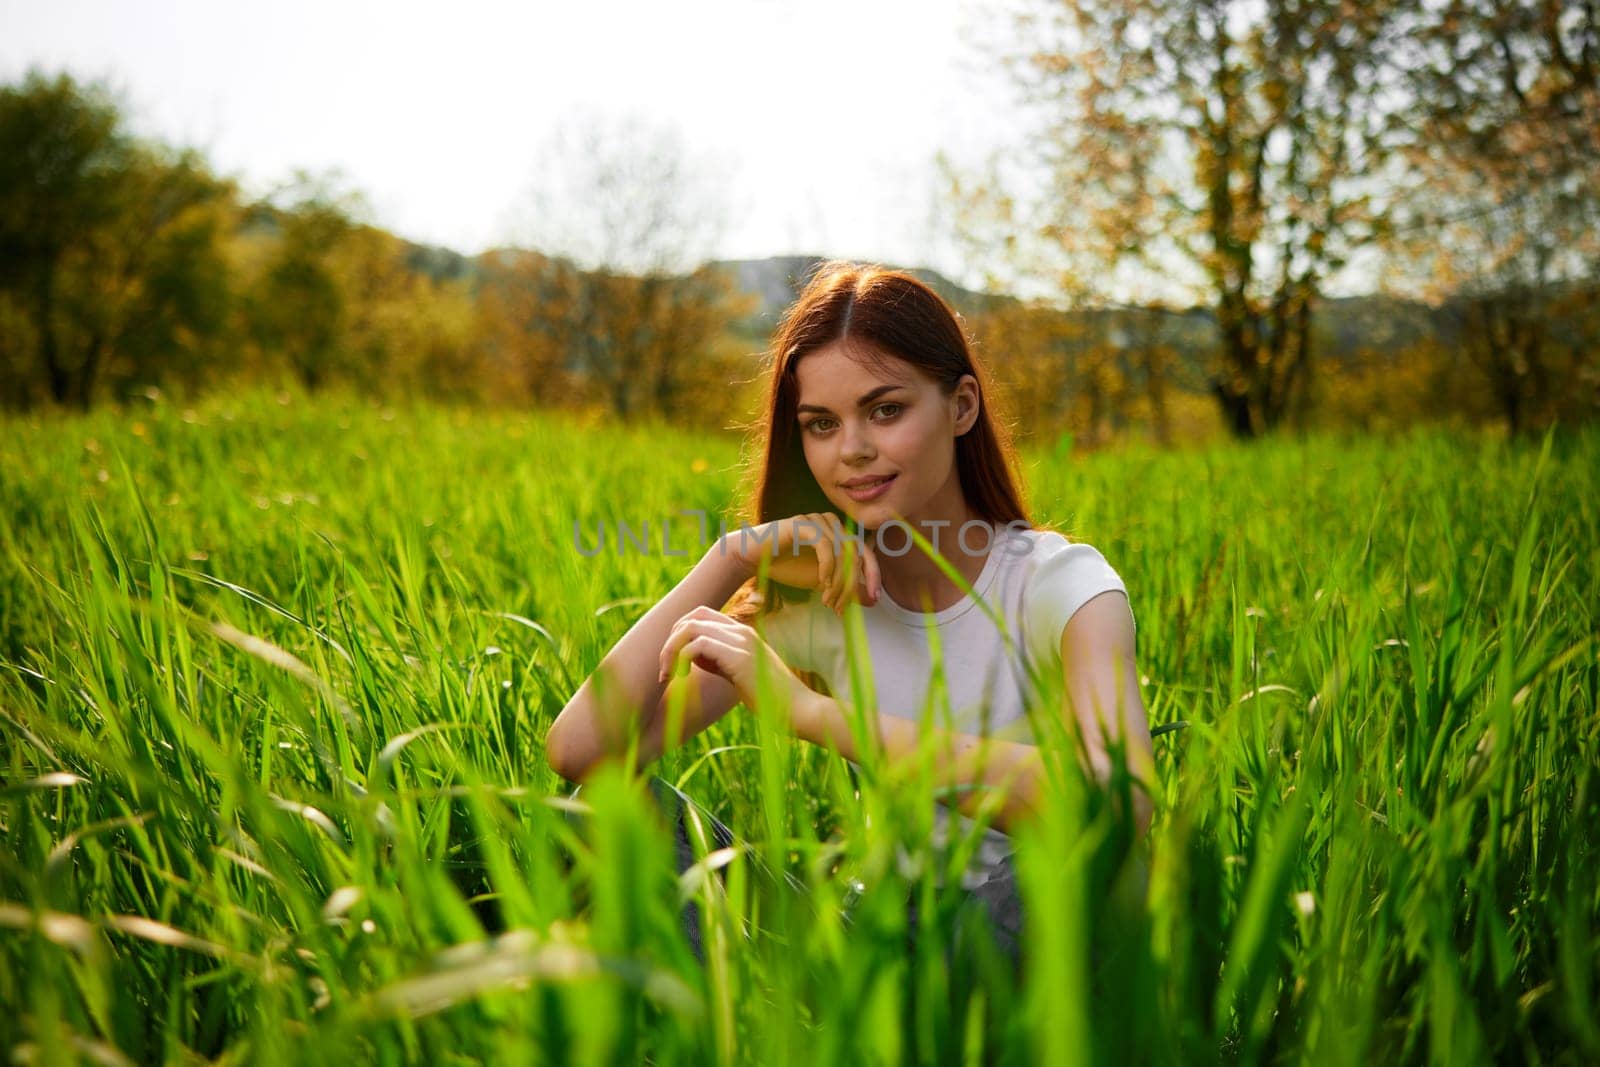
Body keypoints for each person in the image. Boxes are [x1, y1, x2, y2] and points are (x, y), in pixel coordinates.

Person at [544, 260, 1155, 980]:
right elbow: (584, 752)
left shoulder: (1060, 586)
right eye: (822, 424)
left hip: (1029, 951)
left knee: (1051, 877)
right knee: (606, 815)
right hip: (879, 942)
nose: (852, 449)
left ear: (962, 406)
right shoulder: (824, 603)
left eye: (886, 410)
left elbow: (1117, 808)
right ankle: (781, 1027)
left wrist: (808, 710)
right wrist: (732, 556)